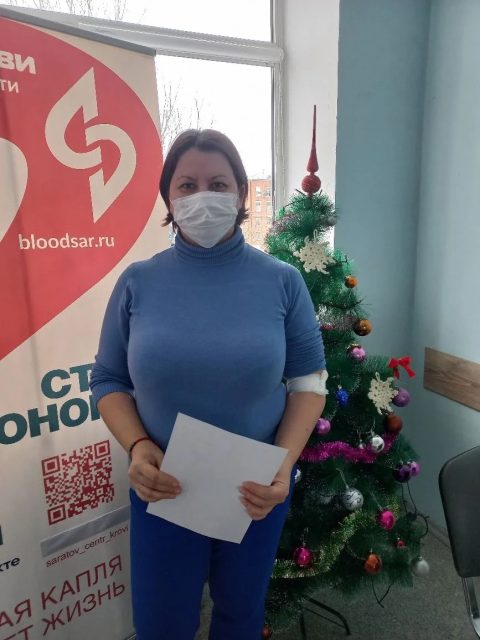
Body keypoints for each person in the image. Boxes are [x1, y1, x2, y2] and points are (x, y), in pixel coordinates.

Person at [89, 129, 328, 640]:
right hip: (163, 484)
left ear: (241, 194)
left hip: (256, 487)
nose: (203, 196)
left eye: (218, 184)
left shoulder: (282, 281)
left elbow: (308, 381)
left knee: (240, 615)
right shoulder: (137, 282)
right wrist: (137, 445)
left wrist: (283, 465)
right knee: (161, 623)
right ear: (168, 200)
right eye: (187, 185)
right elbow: (108, 379)